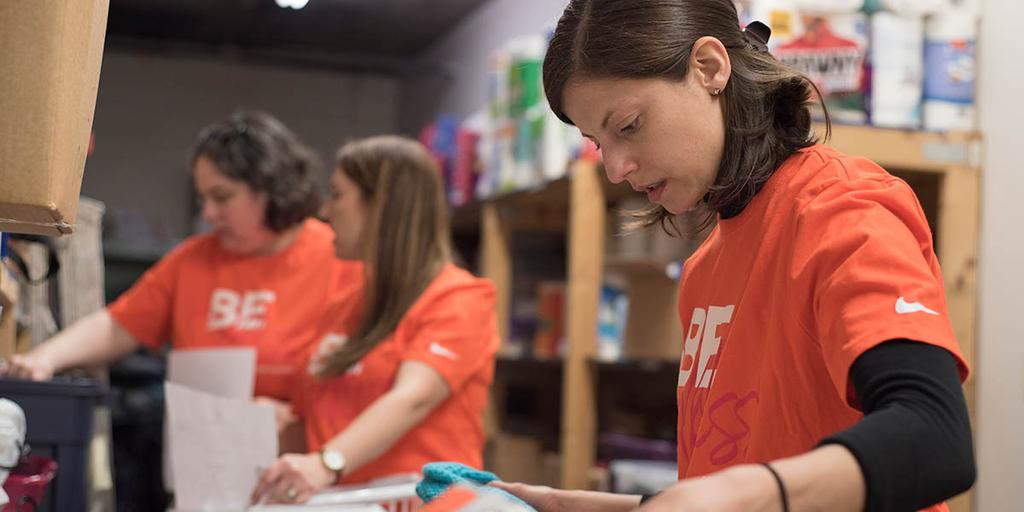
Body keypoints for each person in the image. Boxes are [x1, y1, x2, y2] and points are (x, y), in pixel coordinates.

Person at [492, 1, 976, 511]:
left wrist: (744, 495)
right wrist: (578, 506)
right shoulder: (705, 268)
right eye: (596, 142)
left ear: (709, 68)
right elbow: (741, 471)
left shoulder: (841, 211)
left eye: (629, 125)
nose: (615, 168)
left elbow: (935, 437)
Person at [0, 111, 359, 431]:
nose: (209, 213)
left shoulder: (339, 258)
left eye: (222, 196)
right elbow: (120, 324)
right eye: (204, 198)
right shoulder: (193, 260)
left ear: (271, 187)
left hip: (302, 468)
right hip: (203, 470)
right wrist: (43, 359)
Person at [251, 136, 500, 505]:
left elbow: (411, 398)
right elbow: (314, 425)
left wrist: (326, 463)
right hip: (342, 504)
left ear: (382, 205)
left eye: (337, 195)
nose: (325, 209)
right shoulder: (344, 306)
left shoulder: (459, 298)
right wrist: (269, 423)